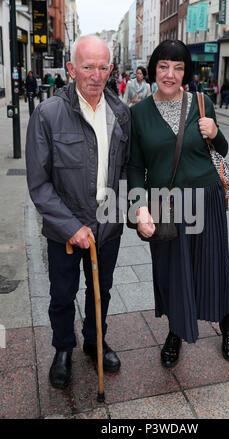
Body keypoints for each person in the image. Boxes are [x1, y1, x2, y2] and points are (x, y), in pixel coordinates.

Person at [25, 35, 131, 389]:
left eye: (102, 67)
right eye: (87, 66)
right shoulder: (48, 114)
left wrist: (122, 212)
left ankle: (94, 341)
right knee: (61, 293)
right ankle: (63, 349)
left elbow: (126, 171)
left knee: (101, 291)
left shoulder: (120, 113)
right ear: (72, 69)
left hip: (107, 225)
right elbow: (39, 184)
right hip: (65, 230)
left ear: (111, 69)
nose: (95, 75)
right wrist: (71, 226)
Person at [128, 40, 229, 368]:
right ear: (153, 69)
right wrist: (139, 207)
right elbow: (134, 166)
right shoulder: (138, 114)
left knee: (213, 266)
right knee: (171, 271)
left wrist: (215, 132)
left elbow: (223, 149)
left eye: (178, 67)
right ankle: (176, 330)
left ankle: (227, 325)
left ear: (186, 72)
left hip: (206, 199)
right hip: (164, 202)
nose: (170, 74)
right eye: (164, 66)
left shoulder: (203, 103)